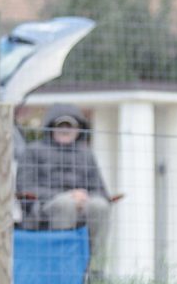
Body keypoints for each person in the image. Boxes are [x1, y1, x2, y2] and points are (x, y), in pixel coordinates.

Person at [17, 103, 118, 261]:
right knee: (65, 204)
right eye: (61, 126)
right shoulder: (33, 151)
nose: (65, 130)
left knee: (100, 205)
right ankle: (62, 262)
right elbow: (26, 187)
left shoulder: (86, 154)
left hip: (82, 204)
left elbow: (100, 189)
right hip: (45, 206)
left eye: (70, 126)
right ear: (51, 127)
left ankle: (93, 267)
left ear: (78, 129)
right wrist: (69, 195)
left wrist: (84, 197)